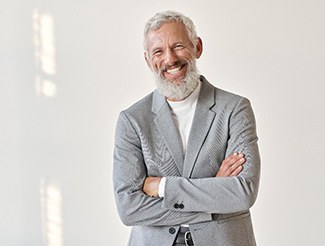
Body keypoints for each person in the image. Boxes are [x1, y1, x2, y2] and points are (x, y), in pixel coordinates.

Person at [113, 10, 260, 246]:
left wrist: (161, 186)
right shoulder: (132, 120)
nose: (170, 59)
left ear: (197, 47)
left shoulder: (235, 109)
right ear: (148, 60)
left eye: (178, 46)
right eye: (158, 51)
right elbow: (129, 209)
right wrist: (214, 196)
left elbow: (243, 192)